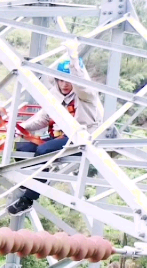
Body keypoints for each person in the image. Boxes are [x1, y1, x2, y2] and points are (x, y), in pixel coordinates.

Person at [7, 42, 104, 215]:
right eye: (61, 80)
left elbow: (81, 84)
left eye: (69, 81)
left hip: (80, 139)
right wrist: (21, 128)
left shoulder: (86, 95)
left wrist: (74, 59)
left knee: (43, 150)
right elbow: (44, 118)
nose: (65, 85)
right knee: (21, 149)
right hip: (59, 137)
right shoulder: (56, 94)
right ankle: (34, 179)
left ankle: (28, 198)